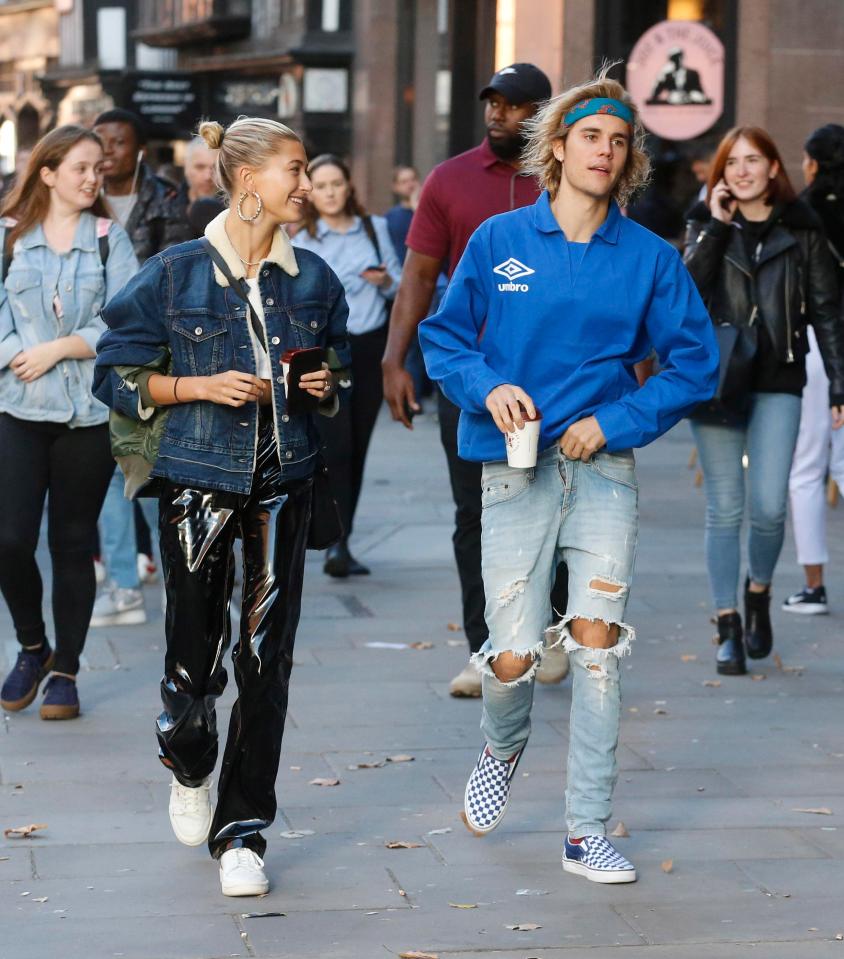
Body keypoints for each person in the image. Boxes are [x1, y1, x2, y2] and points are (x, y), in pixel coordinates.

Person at [419, 68, 718, 884]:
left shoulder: (650, 258)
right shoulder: (499, 243)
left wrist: (614, 421)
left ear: (630, 162)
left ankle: (586, 828)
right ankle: (503, 742)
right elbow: (444, 340)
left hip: (604, 470)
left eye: (619, 141)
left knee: (595, 645)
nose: (606, 150)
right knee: (513, 655)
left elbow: (696, 362)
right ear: (557, 146)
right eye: (591, 135)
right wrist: (490, 386)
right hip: (513, 469)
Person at [93, 116, 350, 898]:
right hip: (198, 473)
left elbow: (334, 366)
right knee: (192, 657)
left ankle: (243, 830)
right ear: (249, 182)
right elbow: (115, 371)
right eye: (295, 171)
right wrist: (199, 385)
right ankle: (189, 754)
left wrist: (322, 383)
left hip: (286, 475)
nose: (305, 186)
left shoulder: (313, 278)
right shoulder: (176, 274)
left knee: (266, 657)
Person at [382, 62, 573, 698]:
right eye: (493, 102)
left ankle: (547, 630)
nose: (499, 114)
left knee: (563, 510)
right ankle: (485, 646)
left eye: (516, 105)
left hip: (561, 382)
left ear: (544, 114)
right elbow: (417, 275)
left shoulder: (573, 176)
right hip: (472, 382)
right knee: (476, 515)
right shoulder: (450, 180)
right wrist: (395, 359)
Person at [684, 127, 844, 675]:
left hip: (779, 375)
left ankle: (758, 591)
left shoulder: (803, 229)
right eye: (733, 163)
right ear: (721, 173)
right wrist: (716, 224)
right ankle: (727, 623)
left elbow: (825, 308)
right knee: (725, 507)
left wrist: (840, 385)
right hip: (718, 378)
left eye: (755, 160)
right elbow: (686, 290)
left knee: (771, 506)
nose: (744, 171)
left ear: (776, 168)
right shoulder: (707, 223)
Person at [0, 125, 138, 719]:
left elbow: (128, 323)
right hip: (18, 407)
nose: (92, 178)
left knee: (73, 543)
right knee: (8, 539)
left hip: (88, 414)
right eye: (80, 168)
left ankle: (67, 670)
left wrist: (60, 348)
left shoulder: (111, 239)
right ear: (47, 172)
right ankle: (33, 645)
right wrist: (15, 352)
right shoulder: (9, 239)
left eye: (97, 170)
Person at [90, 108, 192, 628]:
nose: (107, 150)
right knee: (110, 472)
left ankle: (181, 582)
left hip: (151, 350)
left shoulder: (167, 198)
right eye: (99, 141)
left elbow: (173, 275)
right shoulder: (80, 196)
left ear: (138, 150)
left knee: (155, 469)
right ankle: (124, 585)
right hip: (92, 350)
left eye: (118, 141)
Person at [292, 154, 401, 577]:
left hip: (370, 345)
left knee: (357, 446)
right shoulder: (301, 236)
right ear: (310, 192)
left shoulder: (373, 228)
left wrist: (384, 282)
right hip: (325, 350)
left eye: (337, 183)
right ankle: (331, 539)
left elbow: (399, 283)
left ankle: (344, 542)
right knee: (333, 447)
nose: (330, 192)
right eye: (321, 186)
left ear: (348, 186)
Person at [783, 124, 844, 615]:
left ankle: (814, 586)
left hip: (817, 348)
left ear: (814, 162)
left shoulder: (802, 214)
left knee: (806, 466)